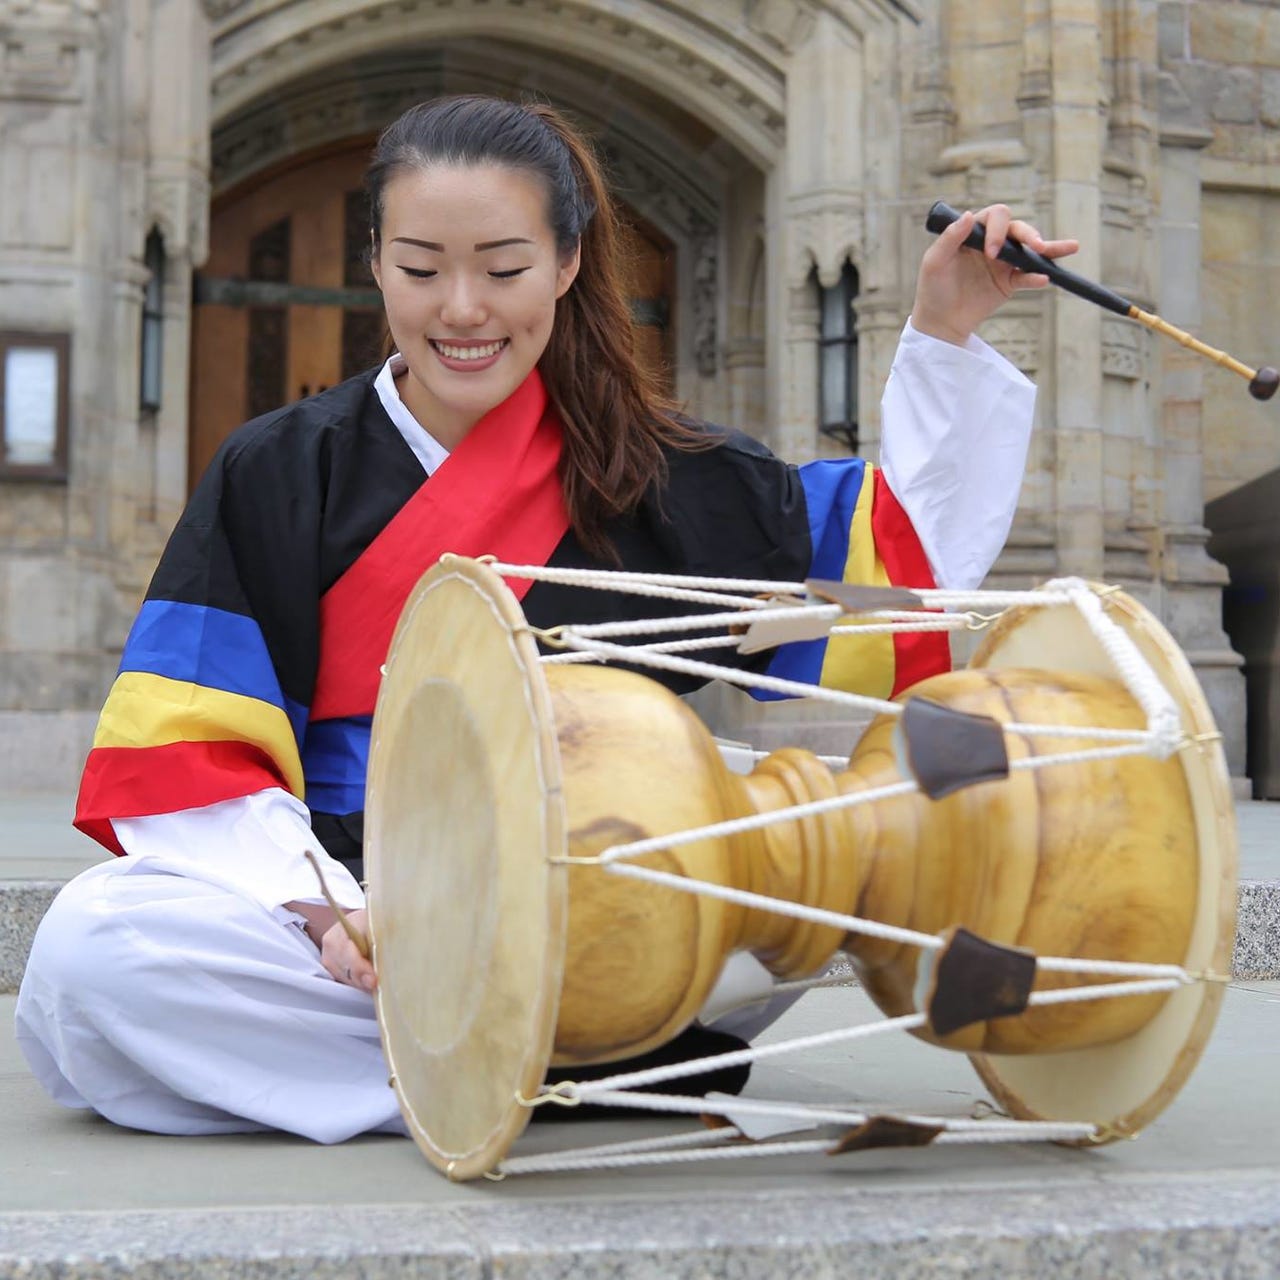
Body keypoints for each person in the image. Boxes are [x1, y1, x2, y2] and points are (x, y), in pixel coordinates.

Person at [14, 95, 1078, 1142]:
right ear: (375, 261)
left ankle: (510, 1055)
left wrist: (944, 327)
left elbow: (892, 573)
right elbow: (189, 751)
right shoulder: (278, 468)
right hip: (340, 901)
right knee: (95, 950)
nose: (463, 308)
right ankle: (585, 1069)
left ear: (568, 264)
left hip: (603, 887)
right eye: (422, 268)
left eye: (504, 267)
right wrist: (327, 908)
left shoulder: (668, 477)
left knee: (782, 893)